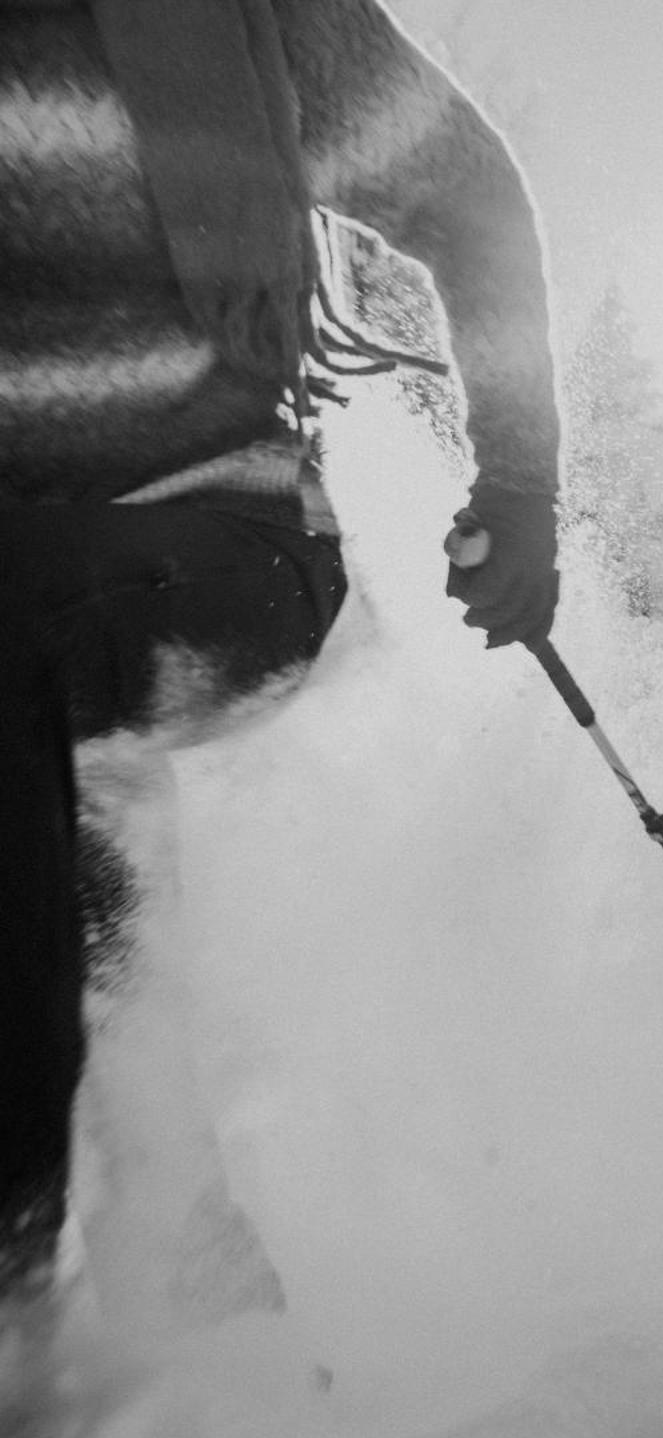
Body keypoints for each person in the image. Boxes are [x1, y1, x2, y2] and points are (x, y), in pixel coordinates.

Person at [0, 0, 562, 1323]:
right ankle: (206, 1316)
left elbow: (466, 197)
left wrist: (523, 483)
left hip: (227, 546)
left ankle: (18, 1288)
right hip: (33, 599)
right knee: (85, 858)